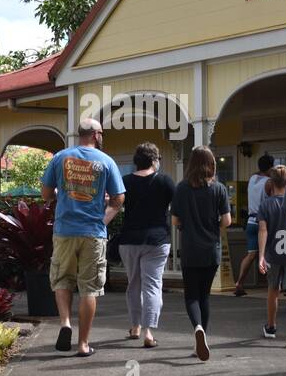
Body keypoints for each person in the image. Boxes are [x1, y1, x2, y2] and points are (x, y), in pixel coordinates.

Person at [40, 117, 125, 357]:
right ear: (96, 135)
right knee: (89, 288)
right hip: (93, 233)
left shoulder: (60, 157)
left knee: (62, 279)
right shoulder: (106, 161)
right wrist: (103, 219)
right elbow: (118, 199)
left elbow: (46, 194)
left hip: (65, 231)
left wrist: (63, 191)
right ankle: (83, 344)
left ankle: (65, 322)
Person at [172, 146, 232, 362]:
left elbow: (175, 220)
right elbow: (227, 221)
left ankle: (197, 328)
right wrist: (213, 226)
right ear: (212, 164)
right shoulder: (219, 189)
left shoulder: (181, 189)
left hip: (189, 249)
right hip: (211, 249)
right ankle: (202, 335)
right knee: (205, 295)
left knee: (191, 296)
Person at [117, 142, 175, 348]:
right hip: (157, 241)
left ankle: (135, 326)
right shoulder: (165, 182)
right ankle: (149, 332)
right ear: (154, 160)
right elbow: (177, 209)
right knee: (152, 285)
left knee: (133, 284)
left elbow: (113, 204)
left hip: (129, 239)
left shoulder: (124, 182)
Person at [256, 164, 286, 347]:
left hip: (274, 255)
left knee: (273, 291)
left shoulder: (266, 205)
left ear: (271, 182)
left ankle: (271, 326)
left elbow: (262, 230)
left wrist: (261, 256)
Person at [233, 154, 274, 296]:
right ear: (271, 167)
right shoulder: (269, 182)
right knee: (270, 254)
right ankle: (274, 286)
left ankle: (239, 283)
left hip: (250, 222)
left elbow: (257, 173)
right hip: (264, 223)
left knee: (251, 255)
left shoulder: (252, 179)